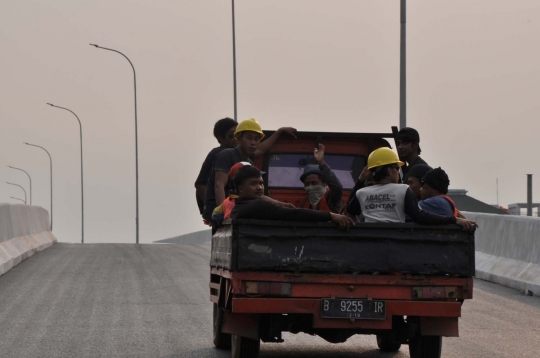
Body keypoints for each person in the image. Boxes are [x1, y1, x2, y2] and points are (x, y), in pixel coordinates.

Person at [355, 147, 476, 230]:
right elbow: (419, 215)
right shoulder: (402, 189)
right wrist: (454, 220)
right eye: (397, 168)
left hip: (369, 243)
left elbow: (349, 212)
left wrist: (360, 181)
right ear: (389, 170)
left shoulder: (361, 192)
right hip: (395, 243)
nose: (398, 172)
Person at [203, 118, 297, 222]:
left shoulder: (249, 162)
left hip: (234, 210)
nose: (253, 143)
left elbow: (256, 194)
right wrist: (222, 215)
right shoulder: (227, 155)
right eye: (249, 138)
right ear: (238, 138)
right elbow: (219, 185)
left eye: (256, 139)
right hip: (220, 213)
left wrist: (281, 204)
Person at [231, 165, 354, 229]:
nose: (259, 187)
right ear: (241, 188)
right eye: (253, 184)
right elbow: (294, 215)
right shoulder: (257, 205)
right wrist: (331, 216)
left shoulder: (239, 205)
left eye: (261, 183)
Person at [194, 117, 237, 218]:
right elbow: (200, 184)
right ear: (221, 138)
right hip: (219, 211)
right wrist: (214, 210)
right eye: (231, 135)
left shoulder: (234, 154)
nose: (236, 138)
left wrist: (278, 133)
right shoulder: (217, 154)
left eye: (238, 135)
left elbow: (258, 151)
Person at [300, 144, 343, 213]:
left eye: (314, 183)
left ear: (324, 182)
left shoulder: (331, 198)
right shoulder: (306, 204)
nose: (310, 187)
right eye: (307, 184)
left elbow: (337, 188)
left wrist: (322, 163)